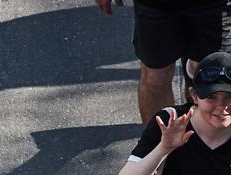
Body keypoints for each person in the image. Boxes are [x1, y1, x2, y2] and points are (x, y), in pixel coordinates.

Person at [96, 0, 225, 123]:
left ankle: (206, 140)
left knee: (213, 76)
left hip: (214, 4)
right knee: (156, 79)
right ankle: (160, 143)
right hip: (156, 4)